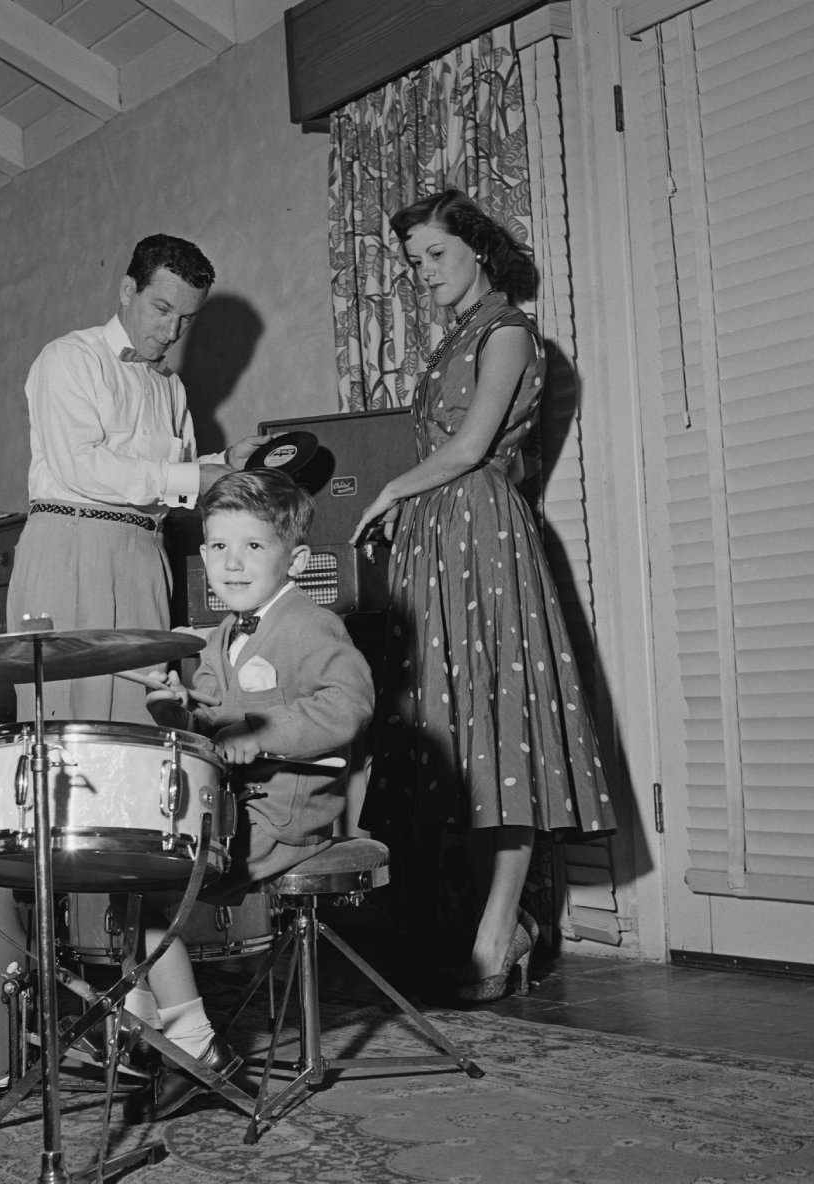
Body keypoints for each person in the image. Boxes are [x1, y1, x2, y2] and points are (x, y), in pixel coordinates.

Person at [348, 189, 617, 1006]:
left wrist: (390, 491)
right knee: (455, 741)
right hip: (436, 539)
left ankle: (501, 932)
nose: (422, 273)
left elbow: (470, 448)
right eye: (412, 263)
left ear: (476, 249)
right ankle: (495, 926)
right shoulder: (449, 343)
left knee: (502, 735)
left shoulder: (506, 332)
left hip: (484, 536)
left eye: (434, 255)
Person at [119, 468, 375, 1122]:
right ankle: (151, 1033)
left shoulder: (307, 624)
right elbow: (206, 727)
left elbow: (348, 705)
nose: (230, 563)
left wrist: (261, 732)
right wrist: (171, 706)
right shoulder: (217, 636)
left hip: (290, 814)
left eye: (253, 547)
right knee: (119, 862)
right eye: (216, 546)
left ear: (294, 559)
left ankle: (190, 1044)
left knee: (153, 880)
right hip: (237, 806)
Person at [5, 233, 268, 724]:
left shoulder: (170, 386)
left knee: (141, 723)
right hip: (72, 545)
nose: (171, 330)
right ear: (128, 290)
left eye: (186, 318)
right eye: (162, 308)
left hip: (146, 556)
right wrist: (192, 473)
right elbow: (80, 467)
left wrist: (227, 461)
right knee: (68, 729)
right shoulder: (70, 359)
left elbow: (167, 478)